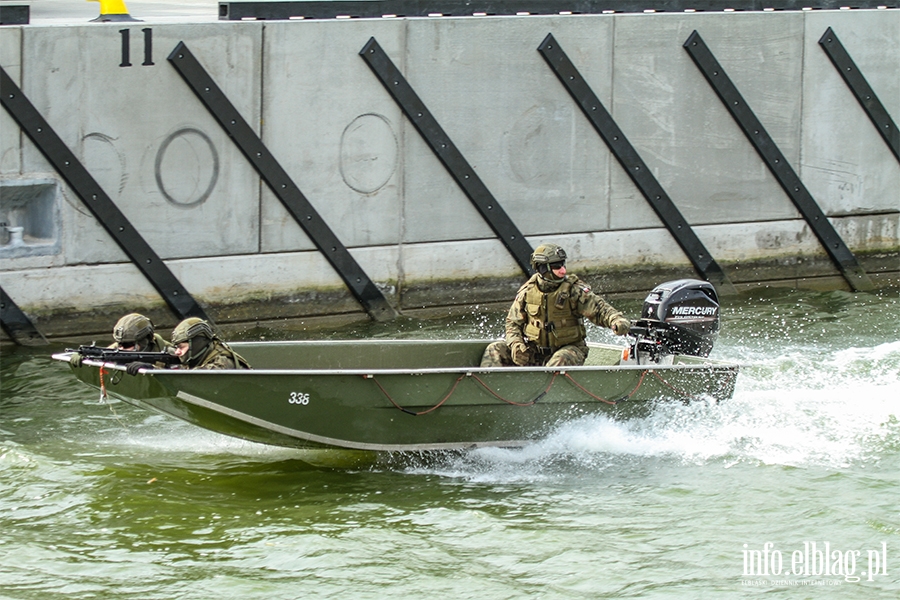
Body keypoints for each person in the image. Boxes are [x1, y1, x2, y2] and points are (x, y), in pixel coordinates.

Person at [480, 243, 631, 368]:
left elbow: (600, 310)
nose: (563, 270)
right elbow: (513, 323)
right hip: (535, 352)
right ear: (542, 268)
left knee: (559, 360)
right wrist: (516, 344)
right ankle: (487, 392)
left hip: (570, 350)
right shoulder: (527, 291)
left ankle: (545, 399)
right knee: (495, 349)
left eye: (563, 265)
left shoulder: (573, 290)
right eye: (556, 266)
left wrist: (616, 321)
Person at [70, 313, 173, 368]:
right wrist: (81, 356)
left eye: (128, 344)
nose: (121, 348)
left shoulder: (169, 351)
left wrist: (152, 369)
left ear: (144, 341)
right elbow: (101, 355)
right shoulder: (117, 350)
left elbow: (183, 376)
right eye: (120, 344)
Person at [168, 317, 251, 370]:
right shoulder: (197, 359)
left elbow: (196, 379)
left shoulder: (222, 362)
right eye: (177, 348)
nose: (177, 352)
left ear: (197, 345)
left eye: (181, 347)